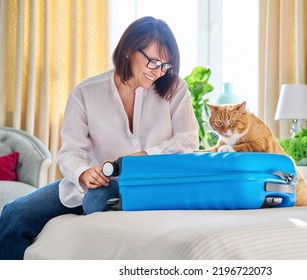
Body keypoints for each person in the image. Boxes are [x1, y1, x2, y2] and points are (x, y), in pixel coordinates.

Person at [0, 16, 199, 260]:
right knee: (13, 214)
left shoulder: (175, 89)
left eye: (166, 65)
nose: (159, 72)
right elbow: (71, 151)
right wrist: (83, 173)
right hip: (93, 183)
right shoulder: (85, 93)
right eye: (154, 62)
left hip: (150, 182)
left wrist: (138, 158)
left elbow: (187, 141)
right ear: (128, 51)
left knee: (97, 201)